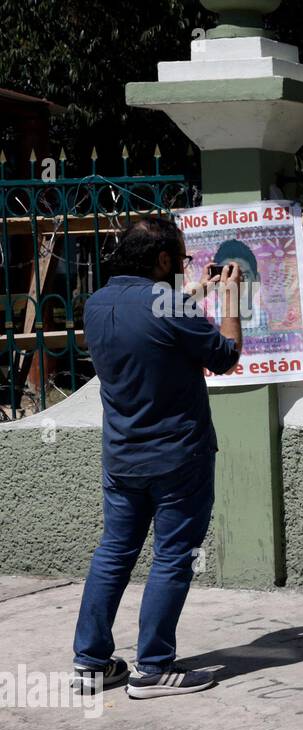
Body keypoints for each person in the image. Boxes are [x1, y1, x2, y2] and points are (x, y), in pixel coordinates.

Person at [71, 216, 243, 699]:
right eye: (181, 259)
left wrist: (190, 294)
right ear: (163, 259)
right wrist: (229, 301)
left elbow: (153, 324)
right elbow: (226, 355)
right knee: (172, 557)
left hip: (122, 456)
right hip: (178, 457)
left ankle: (91, 664)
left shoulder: (97, 303)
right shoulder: (169, 303)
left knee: (113, 553)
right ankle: (153, 668)